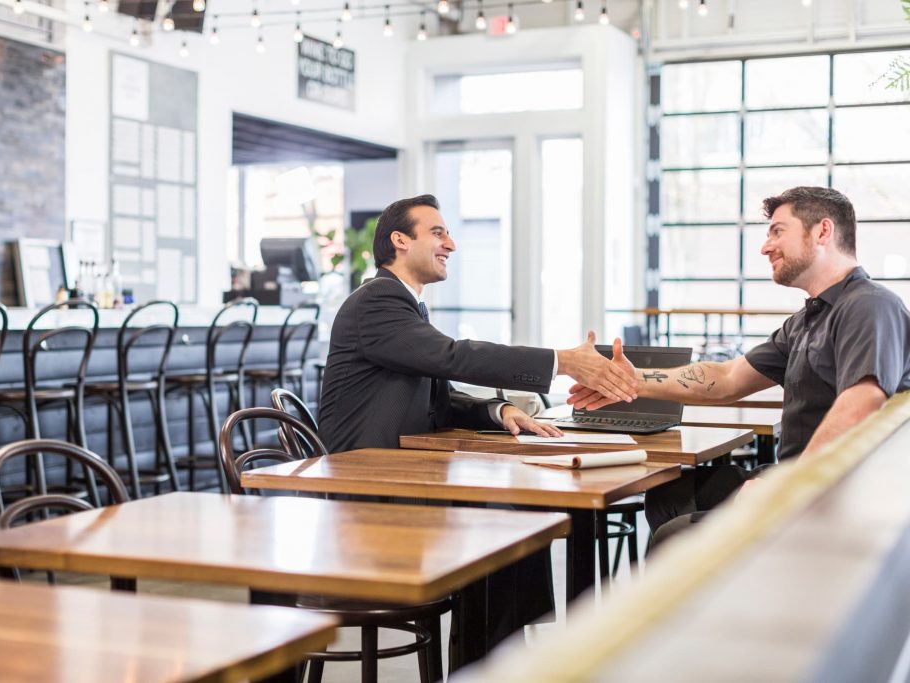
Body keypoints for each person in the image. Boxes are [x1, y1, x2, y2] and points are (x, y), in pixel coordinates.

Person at [318, 193, 639, 651]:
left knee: (518, 517)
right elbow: (452, 357)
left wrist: (499, 410)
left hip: (402, 479)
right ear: (399, 241)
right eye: (437, 232)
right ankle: (491, 663)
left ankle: (495, 659)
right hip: (369, 496)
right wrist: (561, 361)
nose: (451, 243)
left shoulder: (404, 307)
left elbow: (438, 395)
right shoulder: (378, 303)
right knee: (505, 524)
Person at [568, 186, 910, 540]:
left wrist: (789, 486)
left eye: (778, 231)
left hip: (836, 496)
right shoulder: (809, 319)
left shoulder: (870, 306)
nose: (765, 246)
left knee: (674, 535)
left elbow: (862, 404)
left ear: (823, 231)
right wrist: (636, 380)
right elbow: (729, 376)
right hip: (798, 479)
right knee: (668, 496)